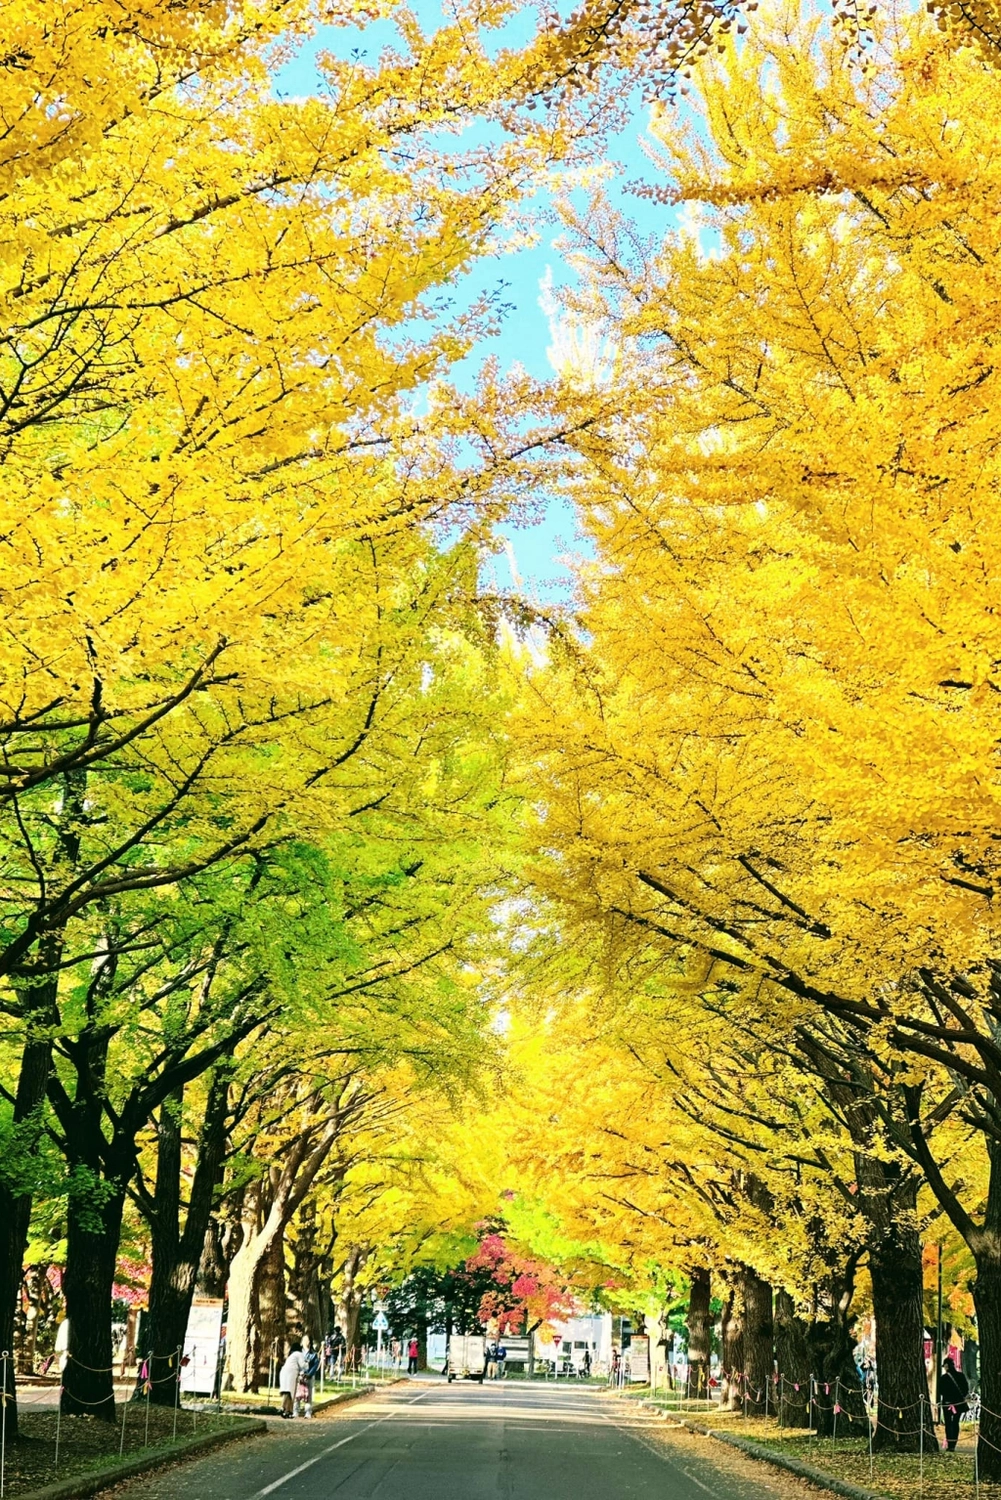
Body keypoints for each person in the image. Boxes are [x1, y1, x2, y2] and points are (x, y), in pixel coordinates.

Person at [939, 1359, 970, 1453]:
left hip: (947, 1403)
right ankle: (953, 1444)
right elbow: (965, 1389)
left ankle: (950, 1444)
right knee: (955, 1423)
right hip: (958, 1403)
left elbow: (941, 1391)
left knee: (948, 1424)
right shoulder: (961, 1376)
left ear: (946, 1366)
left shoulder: (943, 1378)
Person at [279, 1342, 305, 1419]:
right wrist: (308, 1364)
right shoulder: (298, 1354)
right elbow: (303, 1365)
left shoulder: (291, 1355)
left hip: (285, 1372)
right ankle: (283, 1407)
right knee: (289, 1392)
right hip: (291, 1373)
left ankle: (289, 1411)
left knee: (287, 1391)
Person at [297, 1336, 320, 1417]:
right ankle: (295, 1410)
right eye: (304, 1340)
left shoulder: (313, 1354)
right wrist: (298, 1373)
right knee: (297, 1394)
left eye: (307, 1340)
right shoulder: (298, 1353)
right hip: (299, 1376)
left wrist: (309, 1374)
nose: (306, 1342)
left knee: (308, 1395)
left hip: (309, 1376)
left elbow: (315, 1365)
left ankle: (308, 1412)